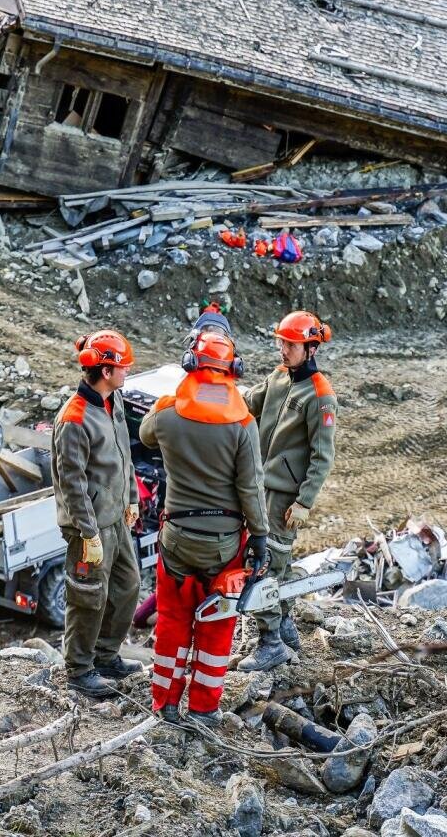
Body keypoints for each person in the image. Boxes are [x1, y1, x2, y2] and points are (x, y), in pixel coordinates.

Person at [139, 319, 268, 725]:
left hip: (176, 538)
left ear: (190, 363)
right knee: (216, 626)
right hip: (224, 545)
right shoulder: (243, 424)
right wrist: (260, 535)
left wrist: (173, 398)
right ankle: (204, 709)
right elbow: (251, 487)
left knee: (173, 620)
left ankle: (165, 704)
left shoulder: (167, 414)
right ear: (234, 369)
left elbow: (144, 436)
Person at [238, 311, 337, 672]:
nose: (283, 349)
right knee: (278, 562)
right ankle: (284, 628)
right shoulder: (279, 377)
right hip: (261, 486)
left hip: (284, 498)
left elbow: (323, 456)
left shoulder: (320, 396)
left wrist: (303, 502)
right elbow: (247, 403)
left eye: (291, 345)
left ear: (311, 348)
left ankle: (270, 643)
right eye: (281, 342)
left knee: (265, 563)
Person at [52, 329, 143, 700]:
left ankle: (105, 656)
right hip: (88, 526)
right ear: (105, 371)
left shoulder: (113, 400)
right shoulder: (74, 420)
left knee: (127, 586)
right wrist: (87, 533)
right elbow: (71, 484)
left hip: (115, 517)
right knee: (88, 596)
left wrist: (131, 497)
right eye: (123, 367)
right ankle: (79, 670)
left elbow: (124, 454)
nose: (127, 372)